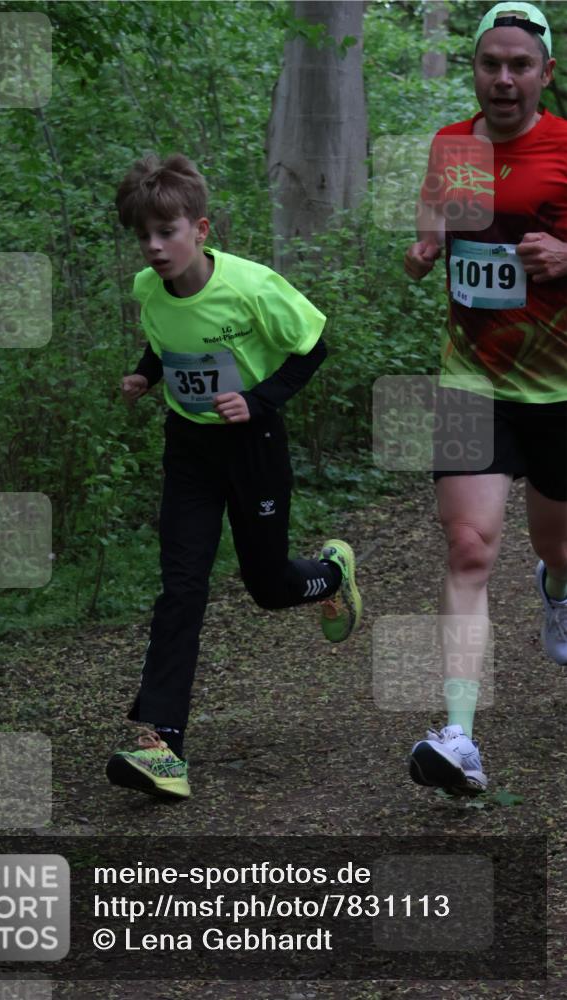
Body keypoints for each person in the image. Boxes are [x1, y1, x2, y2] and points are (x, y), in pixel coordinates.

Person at [106, 153, 362, 800]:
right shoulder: (147, 289)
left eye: (166, 232)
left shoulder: (251, 287)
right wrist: (146, 375)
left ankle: (332, 575)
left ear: (200, 229)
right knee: (181, 588)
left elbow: (313, 348)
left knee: (269, 588)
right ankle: (164, 747)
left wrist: (258, 400)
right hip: (189, 449)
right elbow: (167, 342)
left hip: (253, 445)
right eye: (143, 235)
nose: (154, 247)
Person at [404, 2, 567, 796]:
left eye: (518, 65)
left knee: (557, 548)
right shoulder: (452, 146)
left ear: (545, 72)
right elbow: (436, 228)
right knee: (468, 549)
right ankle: (458, 735)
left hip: (558, 388)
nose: (502, 78)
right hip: (470, 378)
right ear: (474, 69)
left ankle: (556, 588)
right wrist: (424, 246)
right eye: (489, 63)